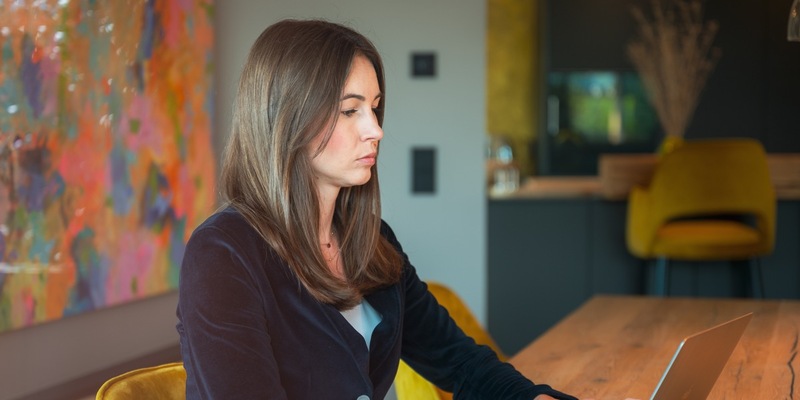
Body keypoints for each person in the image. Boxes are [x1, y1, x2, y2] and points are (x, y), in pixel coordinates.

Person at [176, 19, 578, 400]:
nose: (376, 130)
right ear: (286, 119)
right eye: (351, 110)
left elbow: (460, 362)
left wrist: (531, 396)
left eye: (375, 107)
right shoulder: (223, 255)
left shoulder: (371, 240)